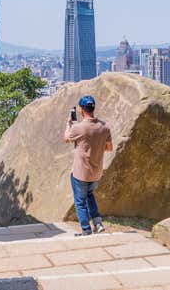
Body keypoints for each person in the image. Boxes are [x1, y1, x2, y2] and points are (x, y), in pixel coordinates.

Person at [63, 95, 113, 236]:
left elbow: (65, 138)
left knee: (80, 202)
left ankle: (86, 230)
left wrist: (68, 124)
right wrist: (96, 146)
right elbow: (109, 148)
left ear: (81, 109)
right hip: (96, 173)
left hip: (80, 173)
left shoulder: (78, 128)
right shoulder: (104, 127)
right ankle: (98, 223)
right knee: (90, 195)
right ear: (93, 108)